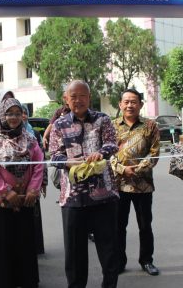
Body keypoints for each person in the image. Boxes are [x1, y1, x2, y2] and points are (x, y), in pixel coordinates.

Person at [49, 80, 120, 288]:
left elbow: (111, 143)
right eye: (73, 96)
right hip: (72, 198)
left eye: (82, 96)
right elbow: (54, 155)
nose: (78, 100)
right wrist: (67, 161)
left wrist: (101, 152)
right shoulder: (59, 126)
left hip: (104, 195)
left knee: (109, 250)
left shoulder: (102, 120)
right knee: (74, 254)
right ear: (66, 99)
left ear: (89, 98)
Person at [0, 98, 44, 288]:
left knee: (23, 243)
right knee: (1, 245)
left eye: (17, 113)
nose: (13, 117)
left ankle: (25, 280)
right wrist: (5, 191)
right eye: (9, 113)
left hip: (25, 199)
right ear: (1, 115)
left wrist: (33, 188)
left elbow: (39, 164)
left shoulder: (29, 138)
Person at [111, 89, 161, 276]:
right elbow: (108, 153)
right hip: (118, 185)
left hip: (143, 185)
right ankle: (119, 262)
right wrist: (123, 169)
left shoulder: (150, 126)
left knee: (145, 225)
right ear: (120, 104)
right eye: (126, 101)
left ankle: (147, 260)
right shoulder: (112, 126)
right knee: (118, 226)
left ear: (140, 104)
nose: (130, 105)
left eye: (134, 101)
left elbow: (155, 153)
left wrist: (137, 169)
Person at [23, 106, 47, 255]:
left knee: (34, 213)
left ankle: (36, 247)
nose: (23, 116)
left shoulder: (35, 134)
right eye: (21, 113)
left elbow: (41, 159)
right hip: (16, 184)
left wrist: (42, 182)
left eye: (25, 113)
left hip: (34, 181)